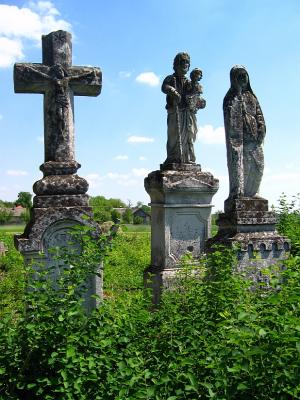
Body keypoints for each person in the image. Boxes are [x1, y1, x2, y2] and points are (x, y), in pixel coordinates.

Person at [223, 65, 266, 198]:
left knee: (259, 166)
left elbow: (259, 115)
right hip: (241, 141)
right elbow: (230, 116)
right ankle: (242, 193)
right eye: (239, 76)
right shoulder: (230, 97)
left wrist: (261, 129)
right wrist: (238, 95)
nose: (243, 78)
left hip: (255, 139)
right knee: (244, 167)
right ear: (234, 79)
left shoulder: (252, 97)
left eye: (244, 75)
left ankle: (254, 192)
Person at [161, 53, 198, 164]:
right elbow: (164, 87)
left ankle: (187, 158)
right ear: (176, 64)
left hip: (187, 112)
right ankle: (174, 157)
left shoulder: (188, 82)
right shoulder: (171, 78)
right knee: (174, 136)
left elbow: (193, 95)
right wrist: (173, 92)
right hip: (175, 111)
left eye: (187, 62)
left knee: (189, 134)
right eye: (183, 62)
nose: (185, 64)